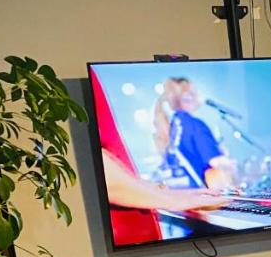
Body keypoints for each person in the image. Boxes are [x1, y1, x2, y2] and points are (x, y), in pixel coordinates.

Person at [92, 73, 227, 246]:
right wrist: (177, 199)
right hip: (130, 237)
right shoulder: (194, 125)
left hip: (151, 232)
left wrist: (172, 195)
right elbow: (217, 169)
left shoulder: (171, 132)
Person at [163, 78, 239, 190]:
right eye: (194, 92)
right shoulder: (195, 125)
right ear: (186, 97)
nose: (198, 96)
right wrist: (231, 165)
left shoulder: (173, 125)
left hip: (177, 192)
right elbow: (215, 161)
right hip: (196, 192)